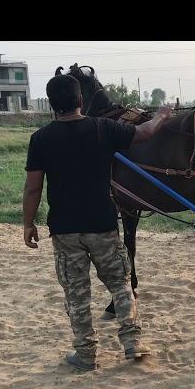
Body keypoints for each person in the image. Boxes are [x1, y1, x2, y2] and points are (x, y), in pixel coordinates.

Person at [23, 74, 171, 371]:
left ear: (53, 105)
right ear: (80, 101)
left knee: (77, 293)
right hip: (103, 224)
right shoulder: (103, 128)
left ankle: (86, 355)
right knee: (120, 284)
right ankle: (132, 344)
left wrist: (28, 223)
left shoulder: (40, 138)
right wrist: (161, 116)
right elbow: (143, 133)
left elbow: (33, 188)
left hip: (65, 230)